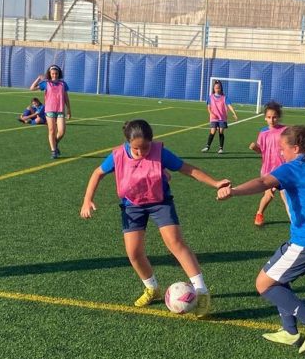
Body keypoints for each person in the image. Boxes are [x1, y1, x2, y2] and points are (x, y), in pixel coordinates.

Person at [80, 119, 230, 318]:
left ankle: (202, 292)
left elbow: (187, 169)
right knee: (133, 253)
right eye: (136, 149)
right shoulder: (117, 155)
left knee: (175, 243)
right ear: (127, 143)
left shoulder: (160, 153)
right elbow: (97, 173)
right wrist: (87, 199)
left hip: (160, 202)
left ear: (152, 141)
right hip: (132, 206)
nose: (142, 152)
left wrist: (216, 183)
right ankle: (151, 288)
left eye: (145, 147)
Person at [217, 125, 305, 354]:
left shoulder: (293, 167)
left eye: (283, 149)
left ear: (295, 148)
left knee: (263, 284)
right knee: (277, 278)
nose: (280, 153)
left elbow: (263, 182)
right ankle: (290, 332)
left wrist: (233, 191)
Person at [248, 101, 290, 226]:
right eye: (269, 117)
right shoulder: (263, 132)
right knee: (268, 195)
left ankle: (294, 221)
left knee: (286, 197)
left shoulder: (285, 130)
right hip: (267, 170)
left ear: (279, 117)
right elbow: (262, 151)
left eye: (275, 117)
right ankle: (259, 213)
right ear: (265, 118)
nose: (272, 120)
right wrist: (255, 147)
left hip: (282, 169)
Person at [30, 64, 71, 159]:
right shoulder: (46, 83)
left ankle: (55, 144)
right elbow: (31, 88)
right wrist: (38, 78)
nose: (54, 75)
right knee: (52, 130)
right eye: (52, 73)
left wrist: (69, 110)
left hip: (60, 110)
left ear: (58, 73)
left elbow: (66, 98)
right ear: (50, 73)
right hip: (49, 110)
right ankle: (53, 151)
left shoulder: (63, 84)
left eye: (56, 73)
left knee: (61, 131)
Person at [201, 80, 238, 154]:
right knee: (213, 131)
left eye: (218, 88)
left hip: (222, 118)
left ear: (221, 88)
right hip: (214, 118)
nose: (217, 89)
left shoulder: (224, 97)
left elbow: (229, 106)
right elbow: (208, 107)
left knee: (221, 132)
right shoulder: (210, 97)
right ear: (213, 88)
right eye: (216, 88)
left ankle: (221, 148)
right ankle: (207, 146)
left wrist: (234, 113)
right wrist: (211, 113)